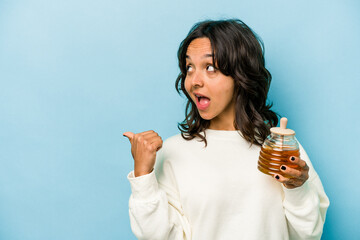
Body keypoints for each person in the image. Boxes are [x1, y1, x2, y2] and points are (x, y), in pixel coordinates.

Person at [123, 19, 329, 240]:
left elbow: (309, 233)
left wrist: (297, 188)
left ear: (240, 76)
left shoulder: (280, 148)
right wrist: (143, 176)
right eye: (189, 67)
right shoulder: (172, 152)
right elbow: (160, 236)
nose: (194, 81)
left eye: (209, 67)